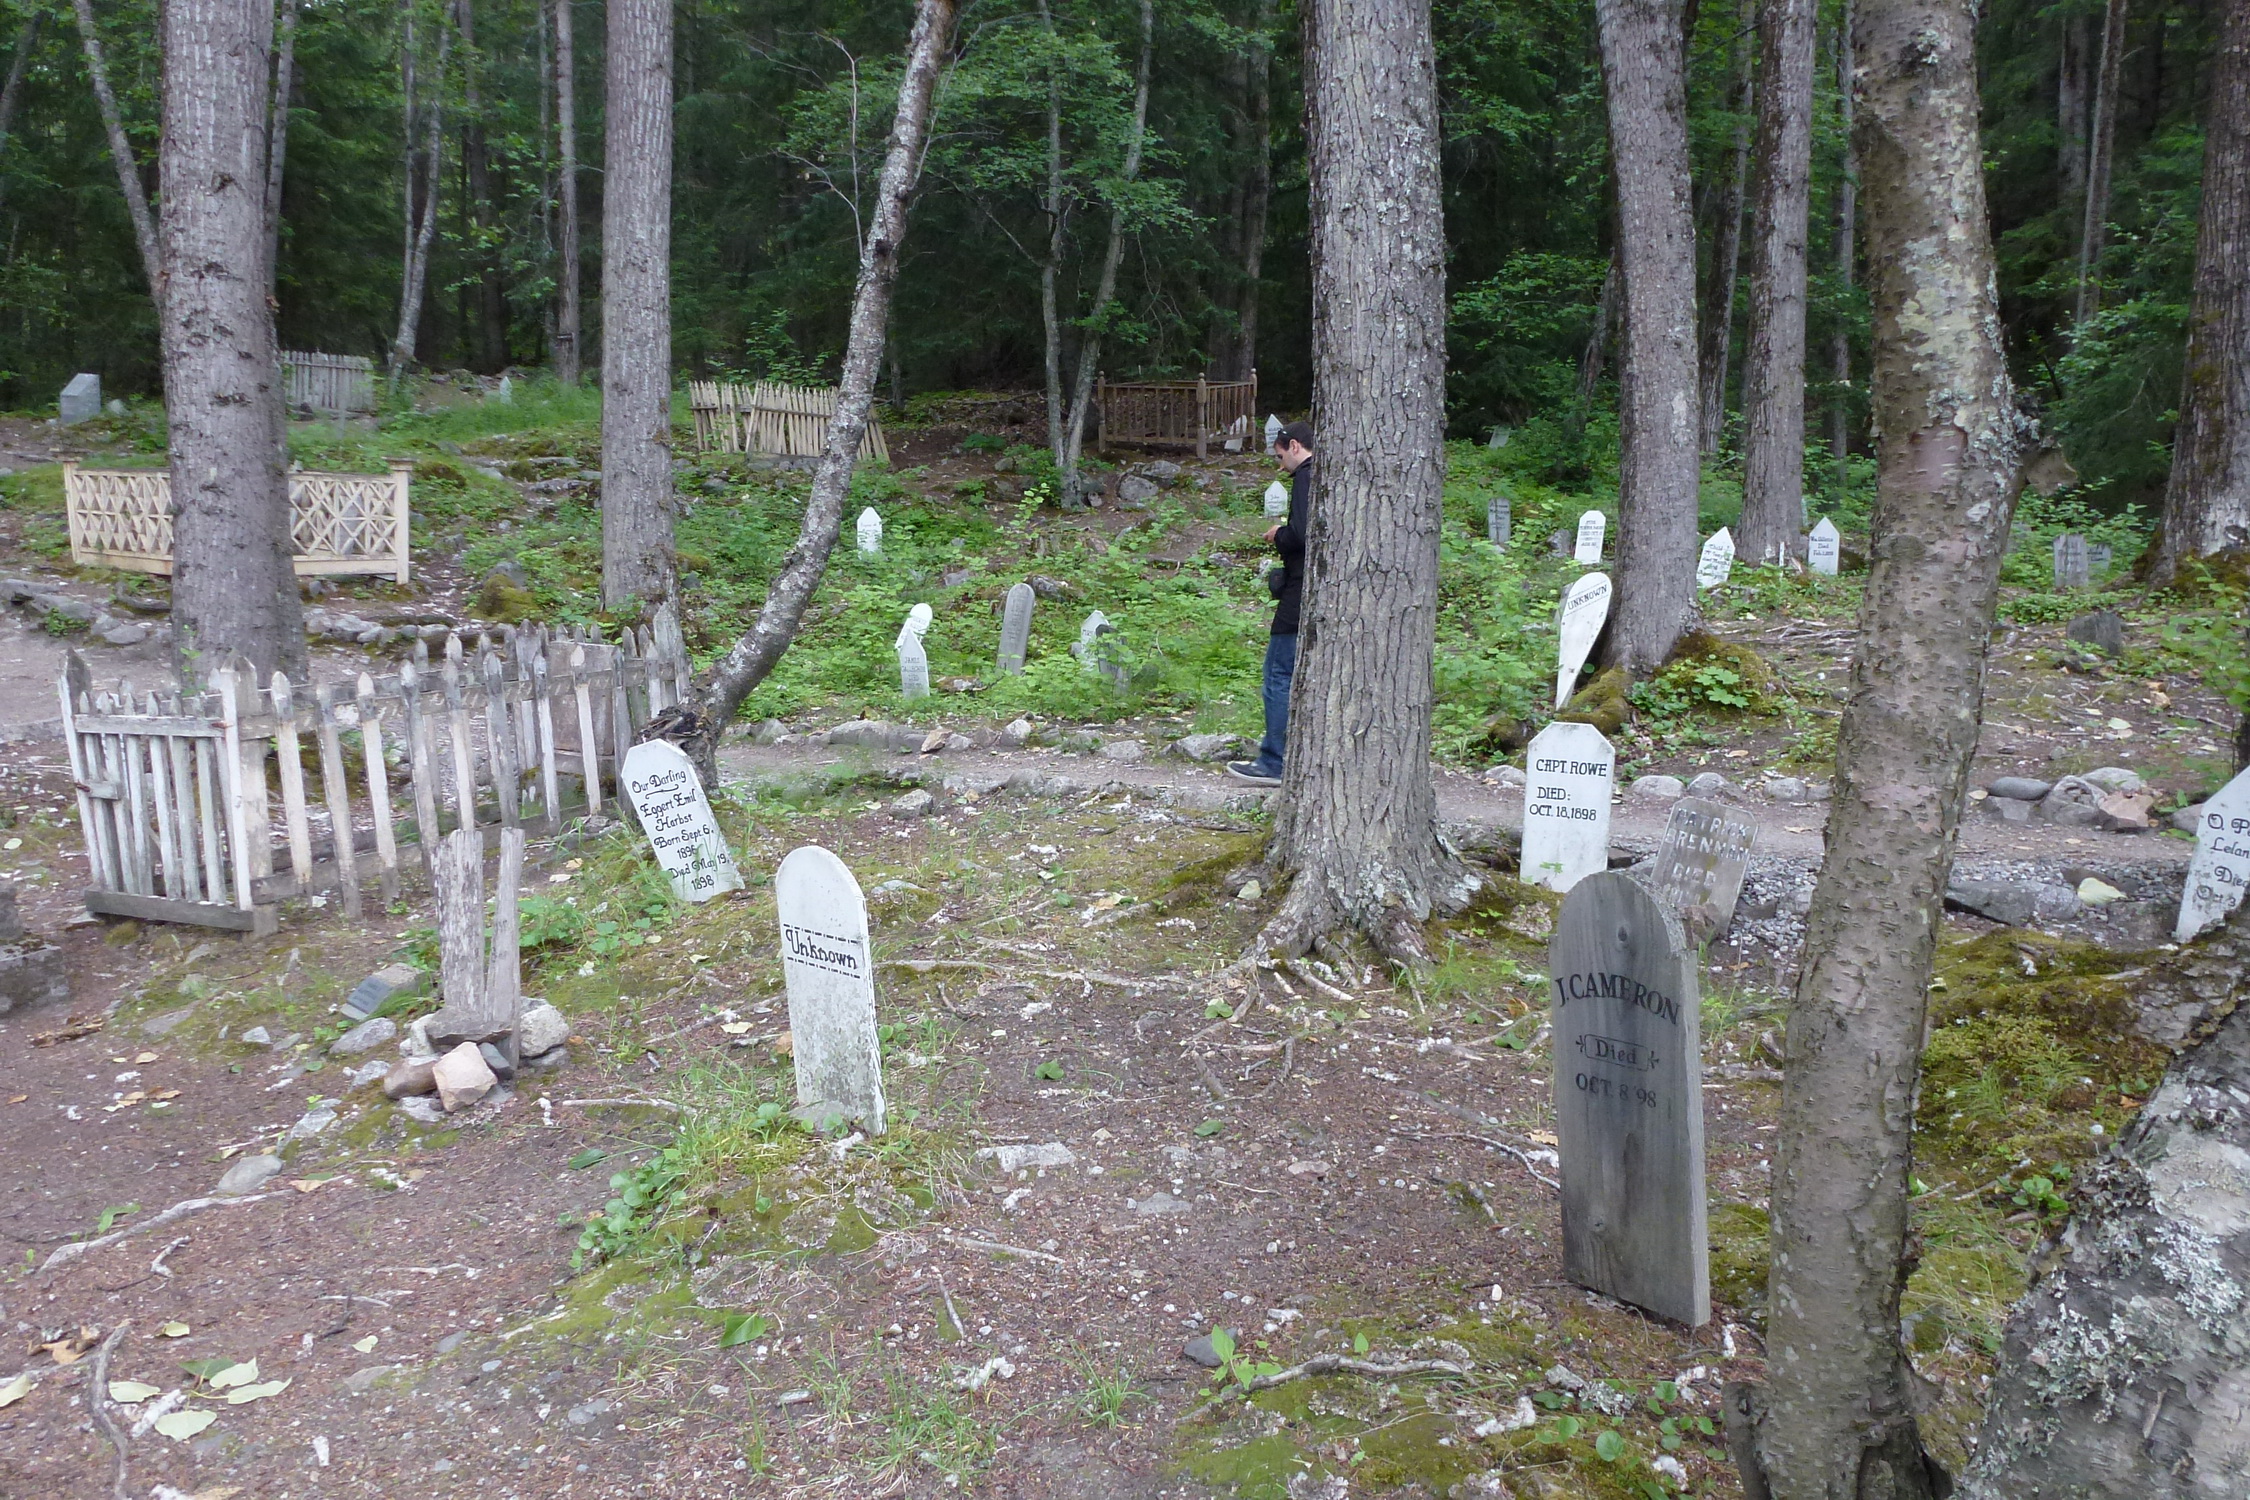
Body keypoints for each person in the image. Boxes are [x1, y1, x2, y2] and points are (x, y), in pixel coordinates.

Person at [1229, 420, 1314, 784]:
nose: (1280, 465)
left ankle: (1274, 761)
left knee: (1278, 674)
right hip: (1312, 591)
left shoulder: (1307, 478)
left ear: (1294, 446)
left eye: (1281, 456)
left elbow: (1303, 533)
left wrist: (1279, 533)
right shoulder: (1329, 476)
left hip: (1299, 593)